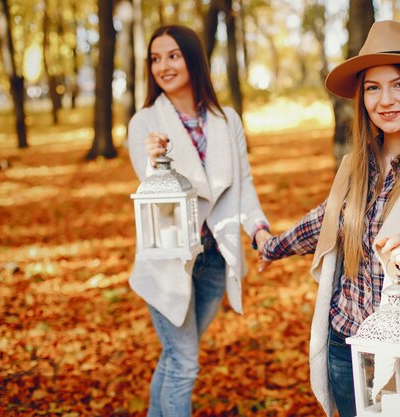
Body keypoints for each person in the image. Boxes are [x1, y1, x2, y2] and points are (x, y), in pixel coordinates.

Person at [259, 20, 400, 417]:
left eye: (399, 84)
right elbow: (324, 223)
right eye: (372, 87)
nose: (385, 99)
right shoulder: (357, 167)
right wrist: (270, 245)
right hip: (343, 346)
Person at [127, 25, 271, 417]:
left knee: (176, 359)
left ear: (193, 59)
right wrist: (155, 159)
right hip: (168, 260)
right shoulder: (145, 123)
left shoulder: (227, 120)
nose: (163, 66)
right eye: (155, 59)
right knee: (185, 363)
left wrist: (257, 227)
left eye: (173, 55)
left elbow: (243, 184)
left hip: (214, 257)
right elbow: (153, 185)